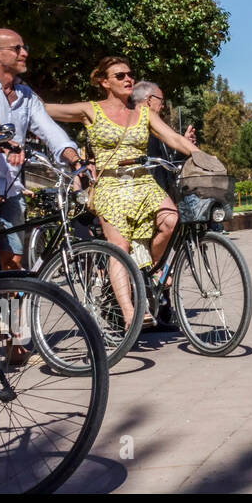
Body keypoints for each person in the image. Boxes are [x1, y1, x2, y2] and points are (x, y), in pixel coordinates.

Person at [43, 56, 198, 331]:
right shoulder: (90, 110)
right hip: (110, 186)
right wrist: (16, 95)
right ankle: (132, 314)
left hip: (143, 184)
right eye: (120, 76)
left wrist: (200, 155)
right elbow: (46, 110)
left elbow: (173, 138)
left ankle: (147, 269)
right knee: (119, 249)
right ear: (104, 82)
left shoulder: (144, 113)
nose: (128, 79)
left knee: (170, 219)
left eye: (130, 74)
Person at [0, 29, 83, 276]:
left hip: (11, 182)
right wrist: (5, 142)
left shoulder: (26, 95)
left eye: (23, 48)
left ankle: (11, 313)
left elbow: (50, 131)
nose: (24, 53)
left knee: (13, 258)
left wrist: (76, 160)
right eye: (17, 48)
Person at [131, 81, 197, 195]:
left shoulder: (159, 132)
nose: (163, 106)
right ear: (149, 100)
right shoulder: (135, 130)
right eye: (161, 101)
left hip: (164, 196)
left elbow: (169, 167)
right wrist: (205, 158)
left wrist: (184, 147)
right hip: (144, 196)